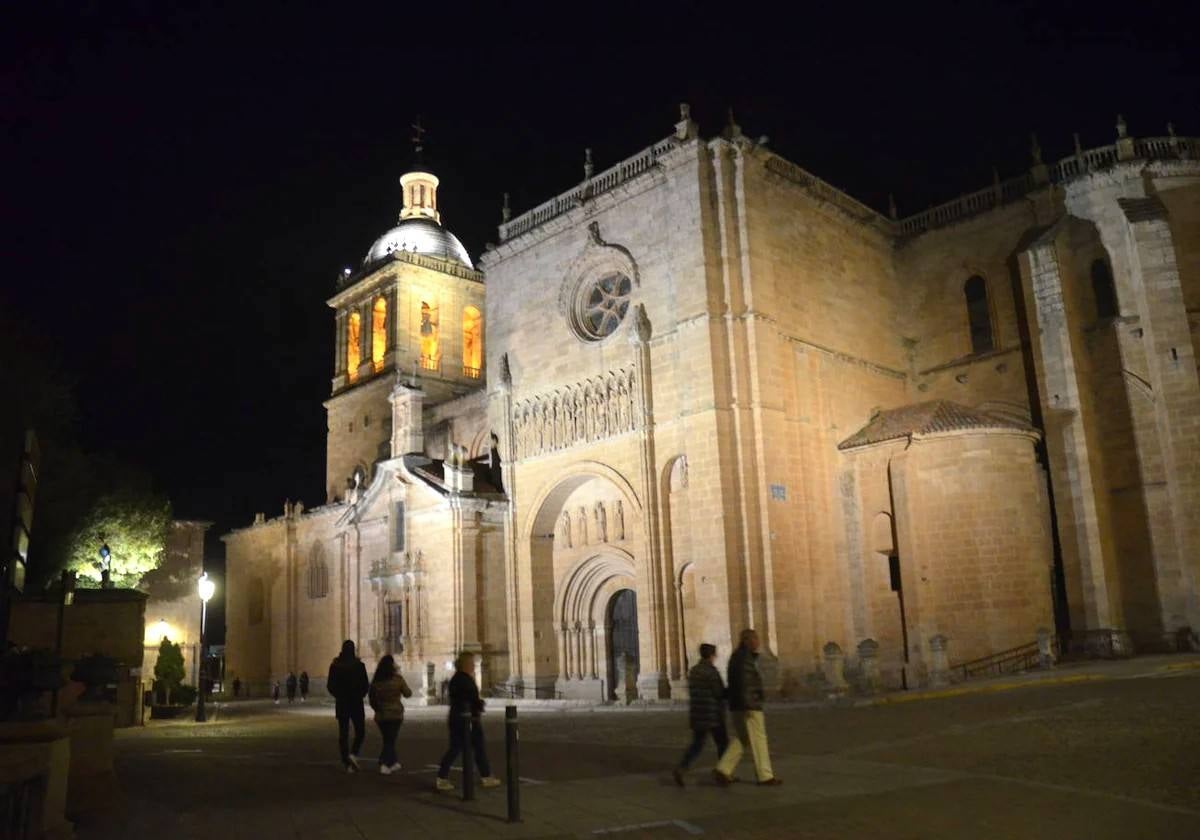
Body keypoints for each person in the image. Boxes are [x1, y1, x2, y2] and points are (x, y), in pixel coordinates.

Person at [713, 629, 782, 786]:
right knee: (759, 739)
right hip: (749, 705)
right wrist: (750, 705)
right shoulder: (744, 659)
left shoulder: (737, 657)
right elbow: (744, 684)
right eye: (754, 639)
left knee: (743, 738)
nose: (757, 642)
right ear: (746, 641)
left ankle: (723, 769)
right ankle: (765, 775)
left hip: (739, 705)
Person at [435, 651, 501, 791]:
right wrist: (478, 704)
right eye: (471, 663)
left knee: (476, 747)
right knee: (459, 748)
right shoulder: (462, 679)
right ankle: (442, 778)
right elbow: (467, 699)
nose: (473, 665)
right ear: (464, 664)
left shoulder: (460, 678)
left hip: (463, 717)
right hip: (465, 719)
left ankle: (485, 776)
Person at [673, 643, 729, 786]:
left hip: (698, 714)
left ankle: (682, 767)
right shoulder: (711, 671)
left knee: (697, 744)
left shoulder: (694, 671)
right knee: (723, 743)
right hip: (713, 714)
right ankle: (723, 772)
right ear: (711, 655)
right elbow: (719, 692)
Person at [327, 640, 370, 772]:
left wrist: (339, 695)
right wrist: (359, 694)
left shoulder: (335, 666)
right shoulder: (359, 665)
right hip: (356, 702)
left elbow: (330, 685)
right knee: (360, 731)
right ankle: (353, 754)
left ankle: (347, 763)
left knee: (343, 733)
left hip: (342, 703)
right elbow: (365, 684)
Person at [368, 654, 413, 775]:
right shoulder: (397, 679)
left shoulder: (376, 681)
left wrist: (378, 709)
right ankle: (383, 763)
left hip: (381, 715)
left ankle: (394, 762)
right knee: (390, 740)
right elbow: (408, 693)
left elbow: (371, 699)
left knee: (388, 739)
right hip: (395, 714)